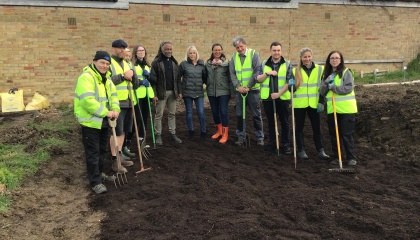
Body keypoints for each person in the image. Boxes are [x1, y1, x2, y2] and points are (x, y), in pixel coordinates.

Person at [74, 50, 120, 194]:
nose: (105, 66)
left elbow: (114, 97)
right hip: (90, 123)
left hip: (104, 122)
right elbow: (87, 101)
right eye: (102, 62)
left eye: (107, 63)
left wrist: (116, 110)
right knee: (93, 153)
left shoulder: (108, 79)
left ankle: (100, 174)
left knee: (102, 151)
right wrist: (106, 112)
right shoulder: (86, 77)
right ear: (94, 62)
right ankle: (95, 182)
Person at [319, 50, 357, 166]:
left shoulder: (346, 72)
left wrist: (334, 87)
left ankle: (351, 157)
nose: (334, 60)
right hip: (333, 110)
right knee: (334, 135)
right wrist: (326, 83)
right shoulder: (327, 74)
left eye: (336, 58)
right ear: (329, 61)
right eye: (332, 58)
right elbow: (321, 91)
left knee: (346, 134)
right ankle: (337, 157)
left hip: (347, 109)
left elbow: (348, 88)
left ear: (340, 60)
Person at [292, 48, 330, 160]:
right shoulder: (295, 71)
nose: (307, 59)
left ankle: (320, 150)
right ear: (301, 58)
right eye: (304, 57)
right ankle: (301, 149)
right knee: (299, 128)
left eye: (309, 56)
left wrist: (322, 102)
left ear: (312, 56)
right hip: (300, 104)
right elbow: (292, 90)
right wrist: (291, 85)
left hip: (314, 104)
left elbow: (324, 87)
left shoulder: (320, 69)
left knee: (317, 128)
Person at [109, 39, 139, 171]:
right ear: (114, 49)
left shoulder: (128, 63)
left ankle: (120, 155)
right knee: (117, 131)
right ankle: (114, 160)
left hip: (129, 102)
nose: (123, 50)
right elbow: (108, 82)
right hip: (117, 103)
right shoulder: (109, 64)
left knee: (124, 131)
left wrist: (134, 76)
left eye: (124, 48)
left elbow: (135, 84)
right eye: (120, 48)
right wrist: (123, 76)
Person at [256, 41, 292, 155]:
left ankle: (285, 144)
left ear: (281, 51)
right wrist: (267, 73)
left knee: (284, 122)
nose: (276, 52)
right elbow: (258, 79)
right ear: (270, 51)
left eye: (278, 50)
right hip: (268, 98)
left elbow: (289, 81)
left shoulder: (287, 64)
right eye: (274, 50)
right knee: (271, 122)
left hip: (283, 98)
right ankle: (272, 143)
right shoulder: (263, 64)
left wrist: (279, 94)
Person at [229, 36, 264, 146]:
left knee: (256, 115)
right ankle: (241, 136)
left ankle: (260, 137)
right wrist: (238, 86)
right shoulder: (234, 57)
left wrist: (248, 86)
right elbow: (232, 74)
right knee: (240, 114)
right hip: (240, 91)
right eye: (237, 47)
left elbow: (257, 71)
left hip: (253, 90)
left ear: (245, 44)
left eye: (241, 46)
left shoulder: (254, 54)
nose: (239, 49)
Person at [149, 41, 183, 145]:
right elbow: (153, 81)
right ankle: (158, 134)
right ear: (162, 50)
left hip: (173, 93)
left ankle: (172, 133)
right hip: (161, 93)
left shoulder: (174, 63)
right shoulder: (156, 63)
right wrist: (154, 94)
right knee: (159, 114)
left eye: (170, 49)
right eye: (166, 49)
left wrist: (179, 91)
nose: (169, 51)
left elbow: (178, 79)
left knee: (172, 114)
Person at [122, 44, 152, 157]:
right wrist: (140, 82)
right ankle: (128, 142)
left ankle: (142, 140)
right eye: (139, 51)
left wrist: (149, 77)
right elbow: (132, 80)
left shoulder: (148, 65)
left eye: (143, 50)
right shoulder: (132, 65)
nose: (141, 52)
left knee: (145, 118)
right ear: (135, 53)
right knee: (136, 119)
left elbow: (153, 79)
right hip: (137, 95)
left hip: (146, 95)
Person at [205, 43, 233, 144]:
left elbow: (230, 78)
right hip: (212, 92)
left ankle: (225, 134)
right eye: (215, 50)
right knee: (215, 112)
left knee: (223, 112)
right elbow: (205, 77)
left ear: (222, 51)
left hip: (224, 92)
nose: (217, 52)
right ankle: (219, 131)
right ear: (212, 51)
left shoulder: (226, 64)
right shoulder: (208, 64)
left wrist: (232, 92)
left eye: (219, 50)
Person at [178, 46, 207, 141]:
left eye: (194, 53)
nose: (192, 55)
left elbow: (205, 78)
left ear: (196, 53)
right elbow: (178, 78)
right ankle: (191, 131)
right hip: (187, 93)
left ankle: (203, 131)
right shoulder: (183, 64)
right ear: (187, 54)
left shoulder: (201, 65)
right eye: (190, 53)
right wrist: (180, 91)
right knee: (189, 113)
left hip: (198, 92)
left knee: (201, 112)